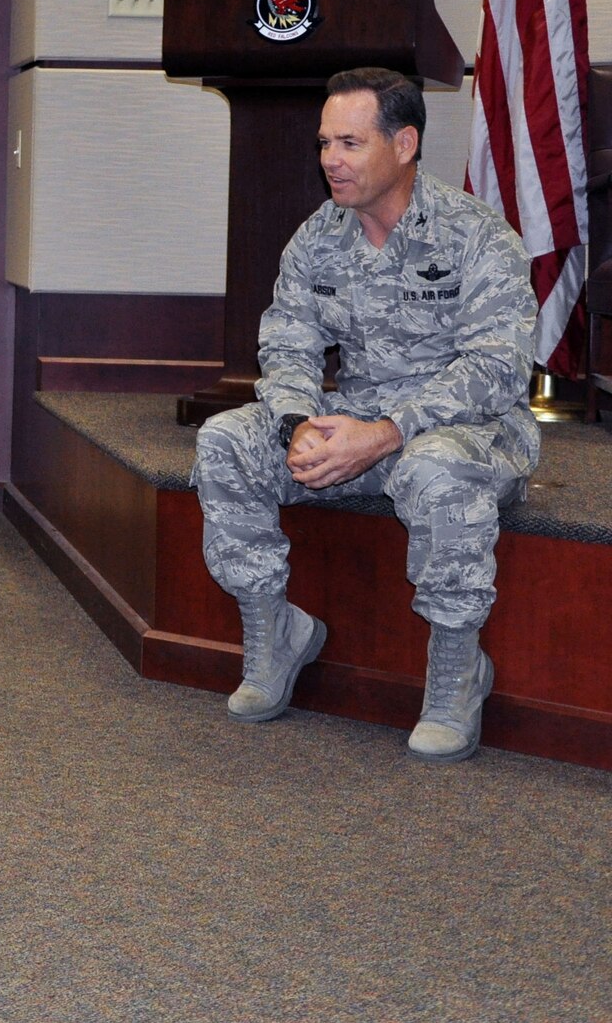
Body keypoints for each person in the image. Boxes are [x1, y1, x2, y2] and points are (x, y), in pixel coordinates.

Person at [192, 66, 537, 763]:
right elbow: (286, 341)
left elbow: (498, 368)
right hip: (354, 423)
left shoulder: (476, 235)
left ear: (404, 144)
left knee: (438, 470)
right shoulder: (319, 236)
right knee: (227, 439)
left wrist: (385, 433)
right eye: (324, 143)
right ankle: (275, 634)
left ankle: (455, 675)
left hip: (466, 431)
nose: (329, 160)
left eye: (349, 143)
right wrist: (298, 426)